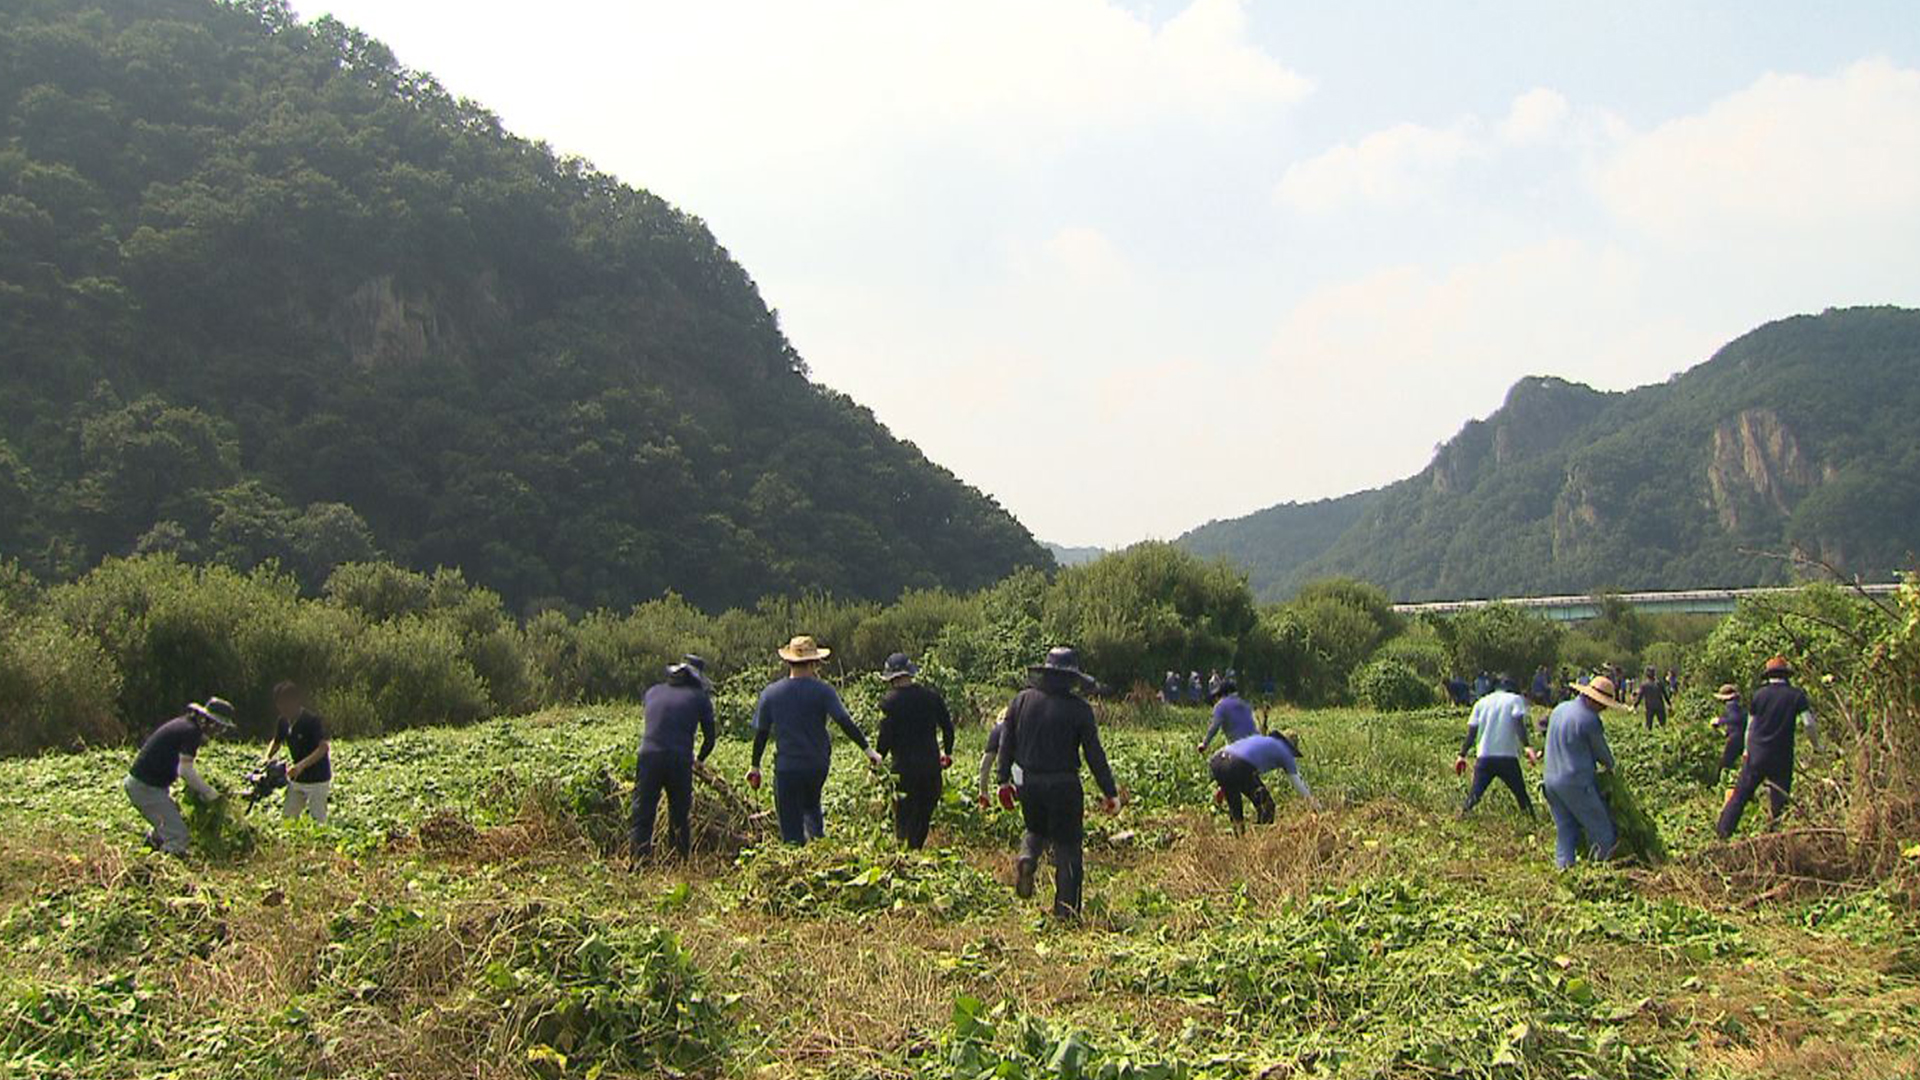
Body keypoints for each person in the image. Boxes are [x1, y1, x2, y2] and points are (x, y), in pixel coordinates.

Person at [994, 647, 1120, 918]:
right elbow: (1093, 753)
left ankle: (1027, 858)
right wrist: (1110, 792)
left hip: (1030, 782)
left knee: (1034, 828)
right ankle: (1066, 912)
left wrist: (1002, 779)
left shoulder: (1021, 701)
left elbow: (1006, 743)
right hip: (1064, 784)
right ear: (1071, 677)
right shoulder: (1079, 709)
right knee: (1068, 846)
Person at [748, 636, 882, 845]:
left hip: (787, 768)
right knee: (812, 809)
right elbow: (844, 722)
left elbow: (761, 734)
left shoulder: (771, 694)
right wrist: (868, 751)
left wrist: (755, 767)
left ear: (788, 662)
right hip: (816, 766)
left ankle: (796, 856)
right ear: (814, 663)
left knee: (791, 828)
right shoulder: (824, 691)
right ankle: (818, 847)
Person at [1716, 657, 1817, 839]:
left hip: (1756, 754)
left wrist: (1747, 751)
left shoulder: (1759, 695)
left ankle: (1722, 834)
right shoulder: (1796, 695)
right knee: (1779, 802)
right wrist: (1817, 746)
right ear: (1786, 675)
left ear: (1768, 676)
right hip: (1781, 756)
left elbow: (1750, 726)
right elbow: (1809, 724)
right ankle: (1776, 839)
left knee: (1740, 796)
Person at [629, 655, 717, 860]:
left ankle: (639, 861)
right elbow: (710, 739)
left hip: (648, 755)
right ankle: (678, 863)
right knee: (679, 815)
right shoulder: (700, 698)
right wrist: (700, 760)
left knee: (643, 812)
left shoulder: (653, 692)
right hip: (679, 758)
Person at [124, 698, 238, 855]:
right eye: (220, 728)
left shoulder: (186, 725)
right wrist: (209, 793)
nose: (219, 733)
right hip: (145, 788)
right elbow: (185, 770)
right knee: (178, 835)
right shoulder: (191, 732)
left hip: (146, 785)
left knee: (169, 821)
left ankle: (147, 851)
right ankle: (160, 870)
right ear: (210, 722)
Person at [874, 653, 954, 850]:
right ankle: (916, 848)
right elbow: (948, 727)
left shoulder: (888, 703)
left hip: (902, 770)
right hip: (930, 767)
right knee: (923, 814)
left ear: (891, 677)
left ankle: (903, 853)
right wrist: (948, 752)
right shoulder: (931, 697)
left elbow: (885, 736)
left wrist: (876, 761)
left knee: (903, 816)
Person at [1541, 676, 1621, 870]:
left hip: (1551, 781)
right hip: (1576, 783)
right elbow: (1603, 755)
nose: (1605, 708)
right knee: (1602, 831)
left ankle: (1564, 870)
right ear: (1593, 700)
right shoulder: (1589, 719)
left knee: (1566, 830)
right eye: (1603, 704)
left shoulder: (1560, 709)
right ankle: (1599, 874)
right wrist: (1612, 767)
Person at [1456, 675, 1538, 819]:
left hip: (1485, 756)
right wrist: (1527, 746)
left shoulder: (1481, 703)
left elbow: (1471, 733)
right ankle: (1532, 822)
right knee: (1521, 795)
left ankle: (1462, 816)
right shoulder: (1514, 699)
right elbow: (1518, 722)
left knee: (1475, 795)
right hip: (1507, 757)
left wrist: (1462, 755)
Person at [1209, 729, 1315, 833]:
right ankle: (1261, 838)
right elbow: (1298, 784)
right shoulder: (1285, 752)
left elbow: (1230, 761)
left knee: (1236, 811)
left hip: (1217, 761)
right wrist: (1316, 806)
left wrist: (1223, 787)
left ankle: (1239, 840)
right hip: (1237, 765)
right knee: (1266, 806)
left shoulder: (1261, 741)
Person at [262, 682, 331, 823]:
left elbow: (323, 748)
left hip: (318, 779)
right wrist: (266, 758)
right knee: (288, 818)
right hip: (297, 779)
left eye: (286, 704)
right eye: (280, 705)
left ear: (296, 701)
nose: (283, 709)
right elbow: (276, 741)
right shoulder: (283, 721)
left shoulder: (312, 721)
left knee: (318, 821)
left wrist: (301, 766)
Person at [1196, 678, 1258, 754]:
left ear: (1222, 694)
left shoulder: (1221, 705)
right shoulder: (1244, 704)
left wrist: (1204, 744)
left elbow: (1214, 727)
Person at [1710, 683, 1747, 775]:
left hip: (1735, 738)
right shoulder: (1738, 705)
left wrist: (1719, 721)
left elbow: (1735, 719)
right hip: (1742, 736)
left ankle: (1719, 783)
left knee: (1725, 764)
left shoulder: (1731, 705)